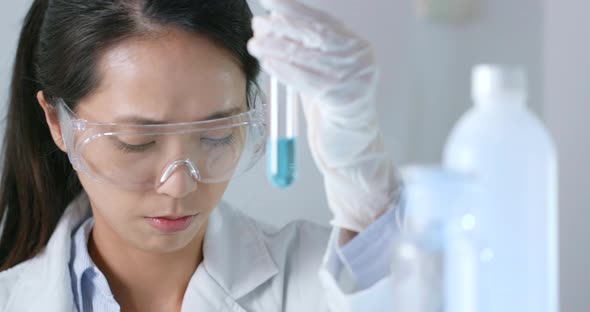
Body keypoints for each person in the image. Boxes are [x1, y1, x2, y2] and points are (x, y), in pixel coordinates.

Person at [0, 0, 402, 311]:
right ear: (57, 122)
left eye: (216, 134)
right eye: (136, 141)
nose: (179, 183)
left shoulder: (321, 278)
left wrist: (362, 185)